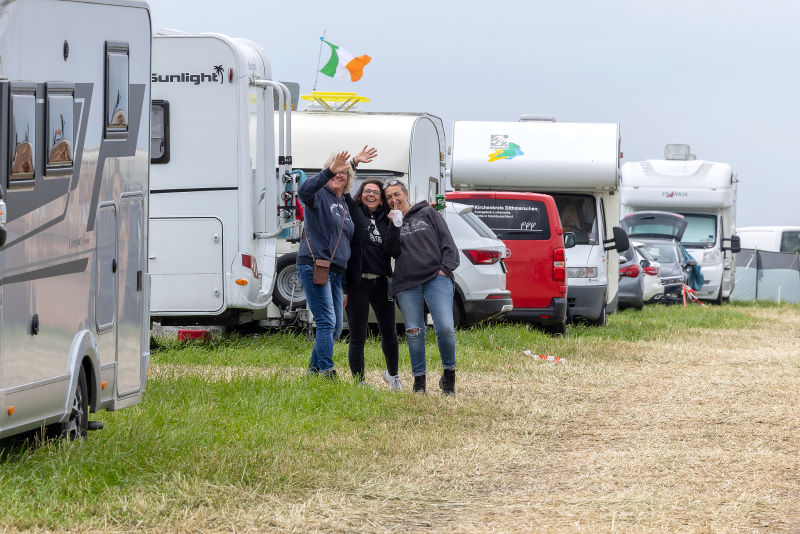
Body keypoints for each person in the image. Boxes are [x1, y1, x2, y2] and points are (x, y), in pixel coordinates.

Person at [384, 179, 460, 395]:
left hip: (436, 278)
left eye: (397, 194)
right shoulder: (390, 221)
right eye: (389, 197)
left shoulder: (427, 213)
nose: (394, 199)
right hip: (407, 283)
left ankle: (449, 376)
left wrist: (445, 269)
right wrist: (394, 226)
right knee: (414, 332)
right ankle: (419, 382)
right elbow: (391, 252)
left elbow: (448, 243)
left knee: (445, 327)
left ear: (406, 194)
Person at [296, 150, 356, 378]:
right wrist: (329, 171)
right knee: (326, 322)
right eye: (334, 171)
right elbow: (303, 190)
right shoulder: (318, 195)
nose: (339, 175)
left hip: (336, 273)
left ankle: (312, 374)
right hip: (315, 265)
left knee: (336, 326)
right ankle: (326, 371)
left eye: (343, 173)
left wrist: (354, 163)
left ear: (348, 179)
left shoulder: (343, 203)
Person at [344, 178, 402, 390]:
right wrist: (352, 164)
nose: (371, 195)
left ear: (381, 199)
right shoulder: (353, 211)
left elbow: (393, 251)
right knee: (358, 334)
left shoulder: (387, 218)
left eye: (376, 193)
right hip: (357, 282)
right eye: (367, 191)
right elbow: (344, 192)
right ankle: (359, 382)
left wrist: (394, 226)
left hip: (383, 282)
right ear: (361, 194)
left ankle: (393, 376)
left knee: (389, 332)